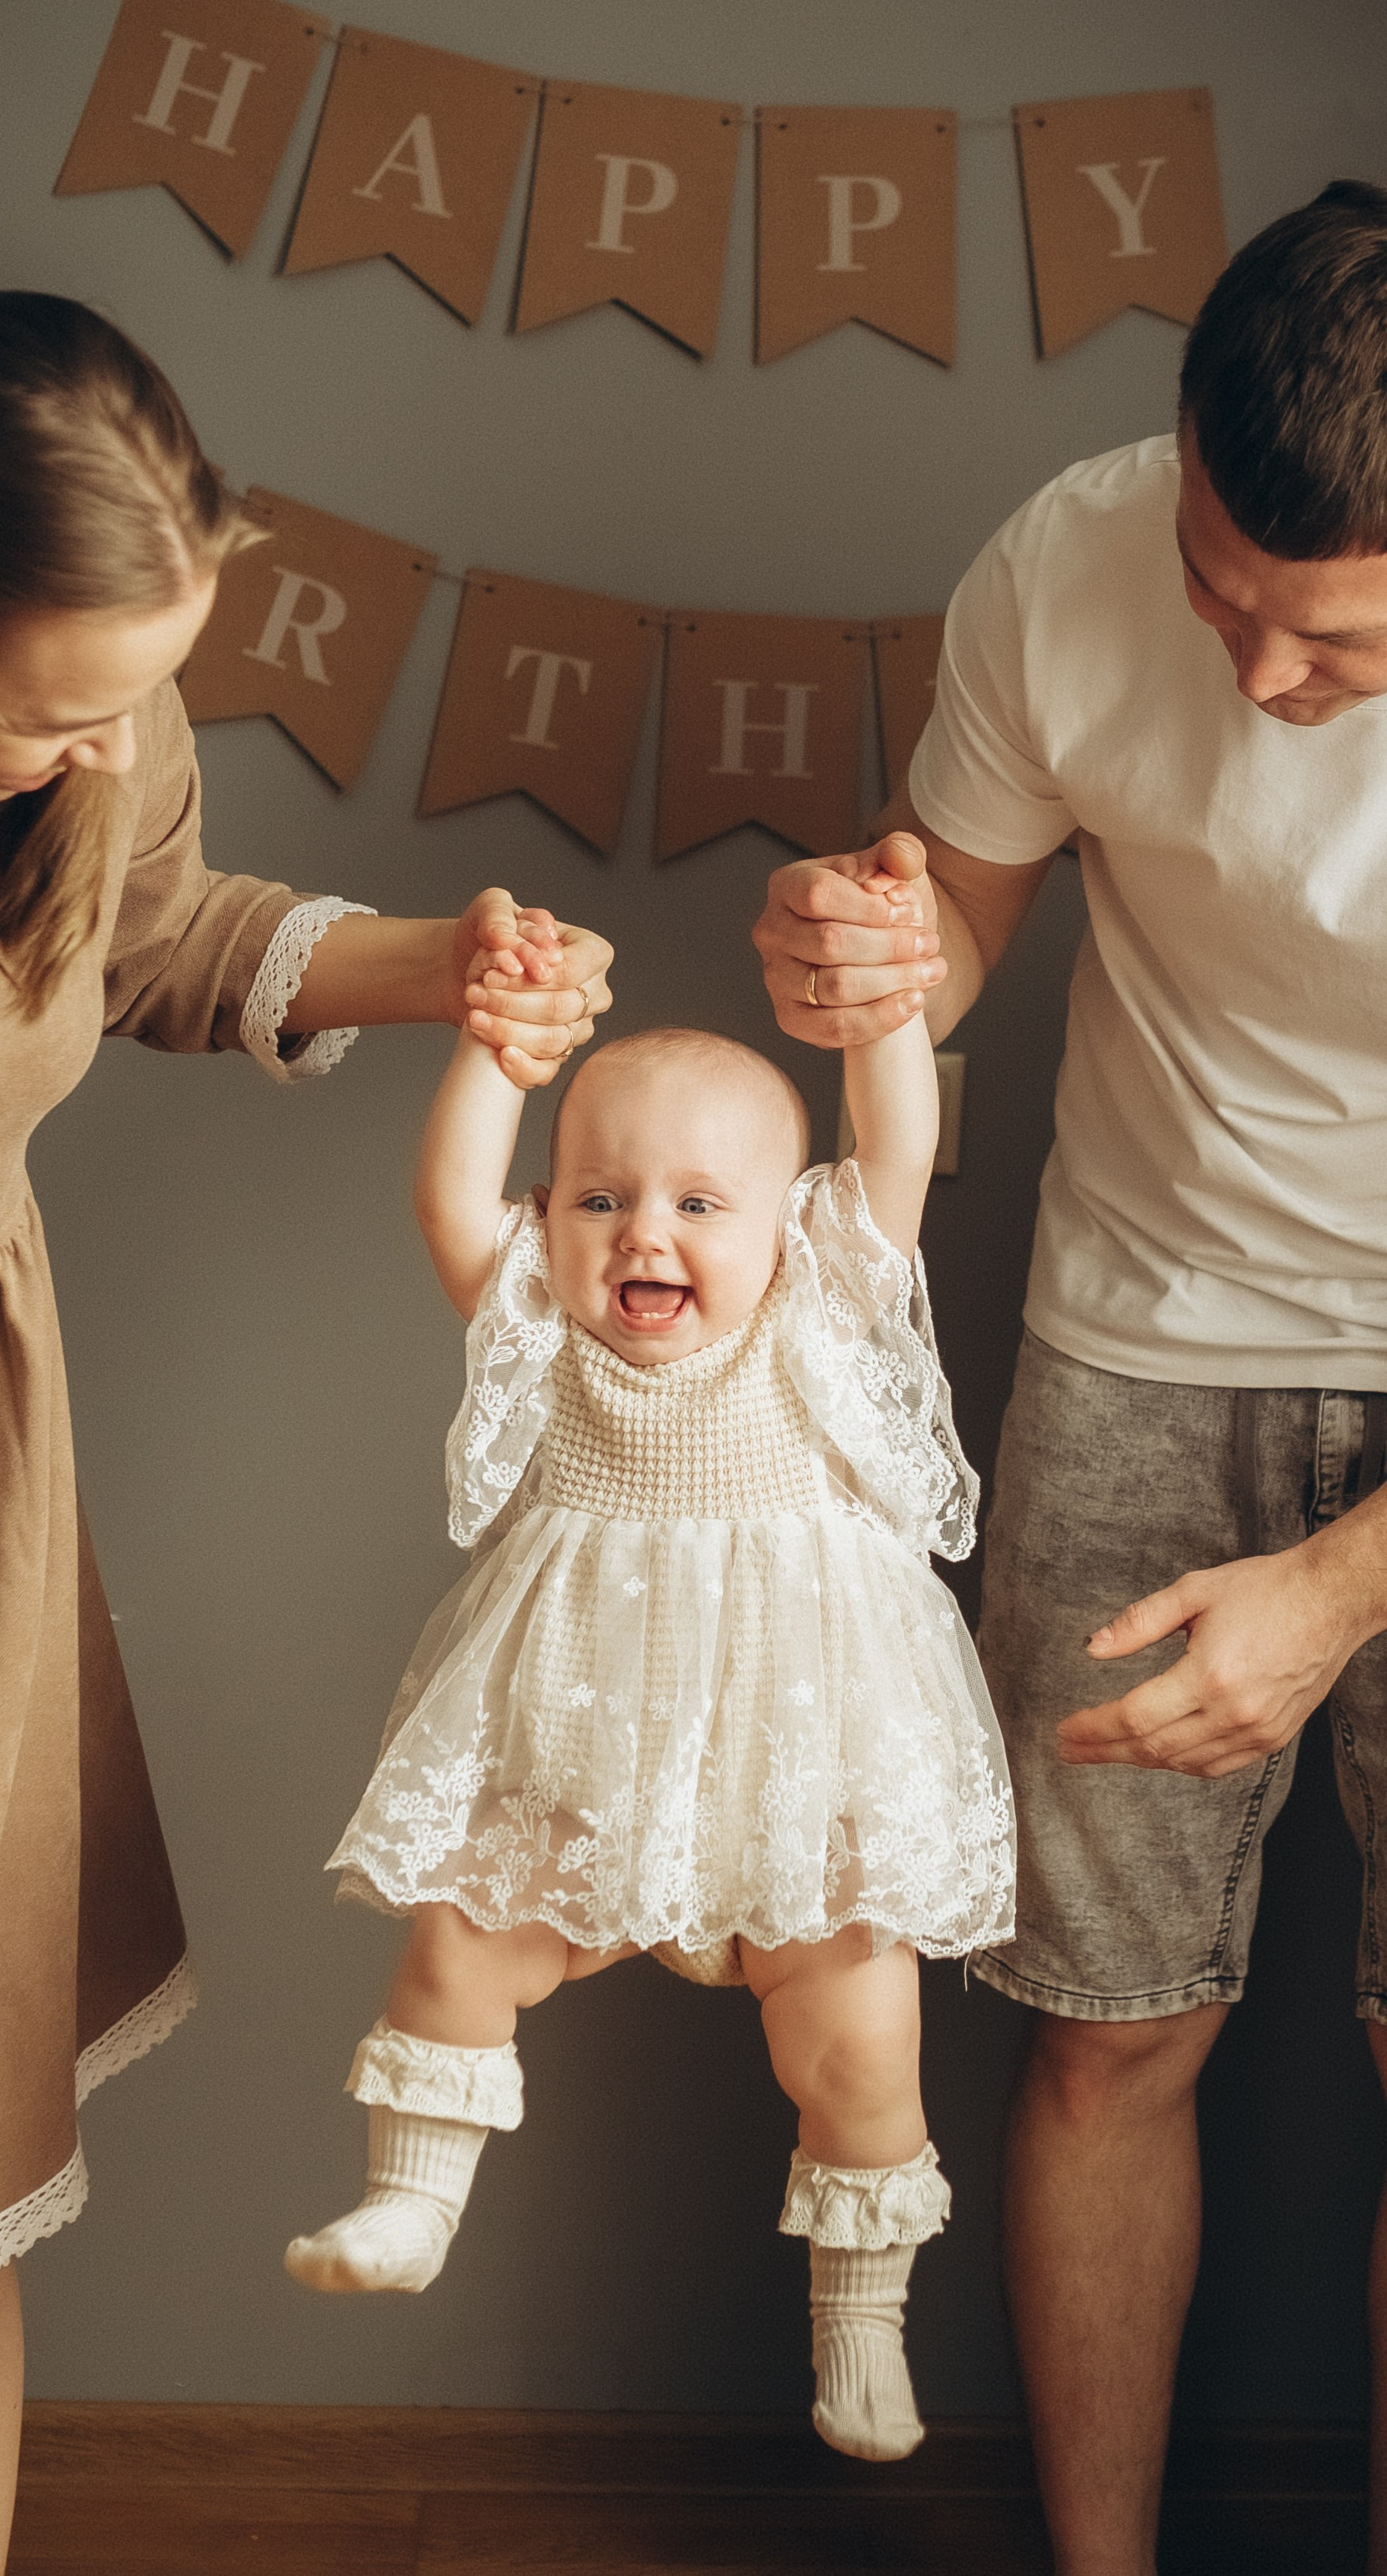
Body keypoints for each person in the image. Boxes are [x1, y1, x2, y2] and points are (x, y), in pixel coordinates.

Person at [0, 287, 612, 2575]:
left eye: (143, 687)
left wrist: (443, 960)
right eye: (65, 700)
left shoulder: (89, 742)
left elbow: (158, 932)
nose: (111, 746)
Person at [751, 180, 1387, 2572]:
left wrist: (1332, 1587)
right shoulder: (1070, 557)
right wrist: (864, 955)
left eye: (1322, 645)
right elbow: (954, 936)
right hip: (1135, 1334)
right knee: (1099, 2027)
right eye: (1221, 600)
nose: (1249, 679)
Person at [282, 975, 1014, 2463]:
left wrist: (885, 1011)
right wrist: (501, 1050)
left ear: (789, 1222)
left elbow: (893, 1132)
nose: (644, 1232)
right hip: (588, 1762)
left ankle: (858, 2318)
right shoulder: (542, 1317)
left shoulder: (820, 1298)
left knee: (856, 2049)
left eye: (697, 1200)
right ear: (547, 1215)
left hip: (799, 1772)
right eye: (602, 1195)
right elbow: (445, 1193)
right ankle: (413, 2199)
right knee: (450, 1945)